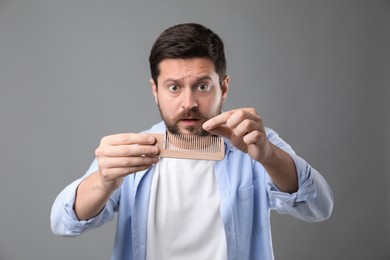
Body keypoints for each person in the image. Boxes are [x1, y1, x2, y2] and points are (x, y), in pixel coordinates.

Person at [51, 23, 333, 260]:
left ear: (223, 87)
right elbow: (62, 223)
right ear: (155, 91)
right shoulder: (131, 153)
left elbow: (319, 208)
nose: (188, 103)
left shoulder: (256, 144)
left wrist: (269, 156)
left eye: (202, 86)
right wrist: (103, 180)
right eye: (174, 87)